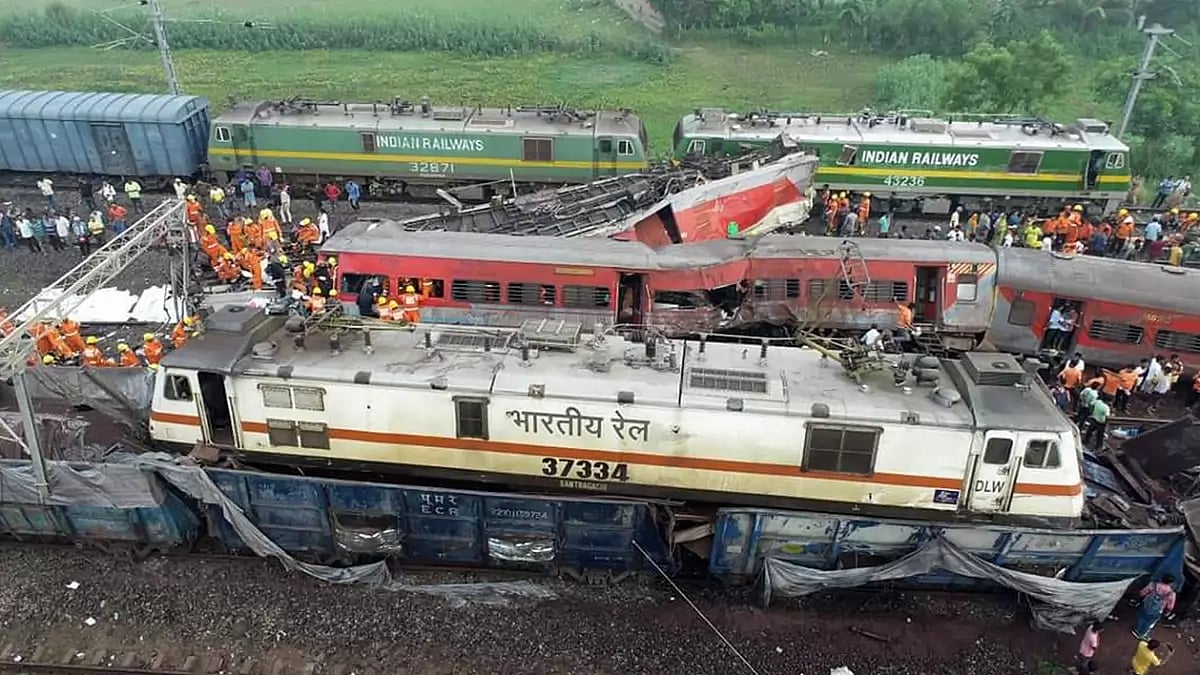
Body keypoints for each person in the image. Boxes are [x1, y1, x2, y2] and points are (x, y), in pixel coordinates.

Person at [1134, 575, 1177, 640]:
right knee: (1149, 622)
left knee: (1142, 617)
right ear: (1171, 583)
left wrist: (1140, 598)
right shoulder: (1171, 593)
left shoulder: (1153, 584)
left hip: (1147, 604)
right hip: (1158, 609)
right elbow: (1170, 606)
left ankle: (1137, 630)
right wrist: (1167, 612)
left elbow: (1142, 592)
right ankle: (1141, 634)